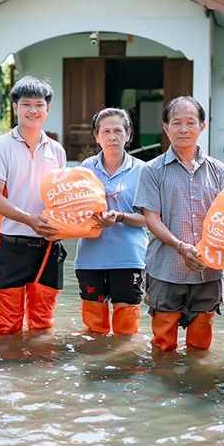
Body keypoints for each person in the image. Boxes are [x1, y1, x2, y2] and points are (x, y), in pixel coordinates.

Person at [134, 96, 224, 352]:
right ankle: (162, 389)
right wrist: (180, 247)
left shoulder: (219, 170)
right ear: (166, 127)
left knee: (200, 348)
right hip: (166, 269)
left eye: (191, 122)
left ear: (202, 126)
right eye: (176, 123)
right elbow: (151, 218)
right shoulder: (152, 170)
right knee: (163, 346)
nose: (184, 129)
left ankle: (197, 390)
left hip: (208, 271)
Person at [0, 76, 67, 336]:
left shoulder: (57, 150)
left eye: (39, 105)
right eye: (26, 104)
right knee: (7, 326)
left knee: (43, 324)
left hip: (49, 244)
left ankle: (41, 373)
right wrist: (29, 219)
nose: (33, 110)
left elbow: (62, 197)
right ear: (16, 107)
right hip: (11, 243)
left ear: (48, 109)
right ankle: (10, 371)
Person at [74, 108, 148, 335]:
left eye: (118, 130)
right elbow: (74, 210)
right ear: (96, 136)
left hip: (129, 259)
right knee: (94, 332)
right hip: (90, 259)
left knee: (126, 332)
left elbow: (149, 218)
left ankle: (124, 369)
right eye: (105, 131)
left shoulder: (143, 171)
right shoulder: (86, 168)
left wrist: (121, 216)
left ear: (129, 135)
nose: (112, 136)